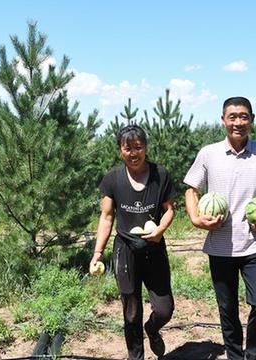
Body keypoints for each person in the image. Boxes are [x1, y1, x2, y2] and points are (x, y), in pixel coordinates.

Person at [184, 96, 256, 360]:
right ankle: (235, 356)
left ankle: (254, 354)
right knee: (227, 309)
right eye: (232, 117)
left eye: (244, 116)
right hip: (221, 245)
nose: (238, 122)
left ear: (252, 119)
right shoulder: (208, 153)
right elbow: (192, 189)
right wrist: (195, 218)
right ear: (223, 120)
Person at [90, 125, 175, 360]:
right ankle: (135, 356)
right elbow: (107, 217)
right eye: (128, 148)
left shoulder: (161, 174)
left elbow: (169, 210)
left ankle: (153, 328)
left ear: (145, 148)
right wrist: (98, 252)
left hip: (155, 248)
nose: (133, 153)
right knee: (131, 311)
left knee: (164, 309)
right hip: (125, 251)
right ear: (120, 150)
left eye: (138, 147)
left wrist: (160, 230)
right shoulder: (113, 178)